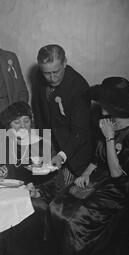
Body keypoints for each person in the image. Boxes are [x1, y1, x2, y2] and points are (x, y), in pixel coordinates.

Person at [38, 77, 129, 255]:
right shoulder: (107, 121)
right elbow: (97, 160)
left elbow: (117, 173)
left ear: (117, 105)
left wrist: (109, 138)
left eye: (105, 101)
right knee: (57, 206)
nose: (100, 105)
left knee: (74, 220)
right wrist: (85, 175)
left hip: (118, 191)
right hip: (98, 181)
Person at [0, 101, 56, 255]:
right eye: (16, 123)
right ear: (8, 127)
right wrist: (1, 171)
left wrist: (38, 190)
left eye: (26, 121)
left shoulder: (44, 143)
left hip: (42, 192)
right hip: (15, 192)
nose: (22, 126)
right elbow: (2, 173)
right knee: (15, 205)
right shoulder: (5, 143)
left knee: (36, 207)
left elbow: (56, 178)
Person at [32, 44, 93, 187]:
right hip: (50, 144)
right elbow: (39, 113)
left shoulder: (80, 87)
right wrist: (43, 146)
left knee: (63, 201)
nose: (52, 78)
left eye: (56, 72)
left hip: (74, 153)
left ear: (65, 62)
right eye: (47, 73)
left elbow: (80, 131)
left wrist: (62, 155)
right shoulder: (39, 76)